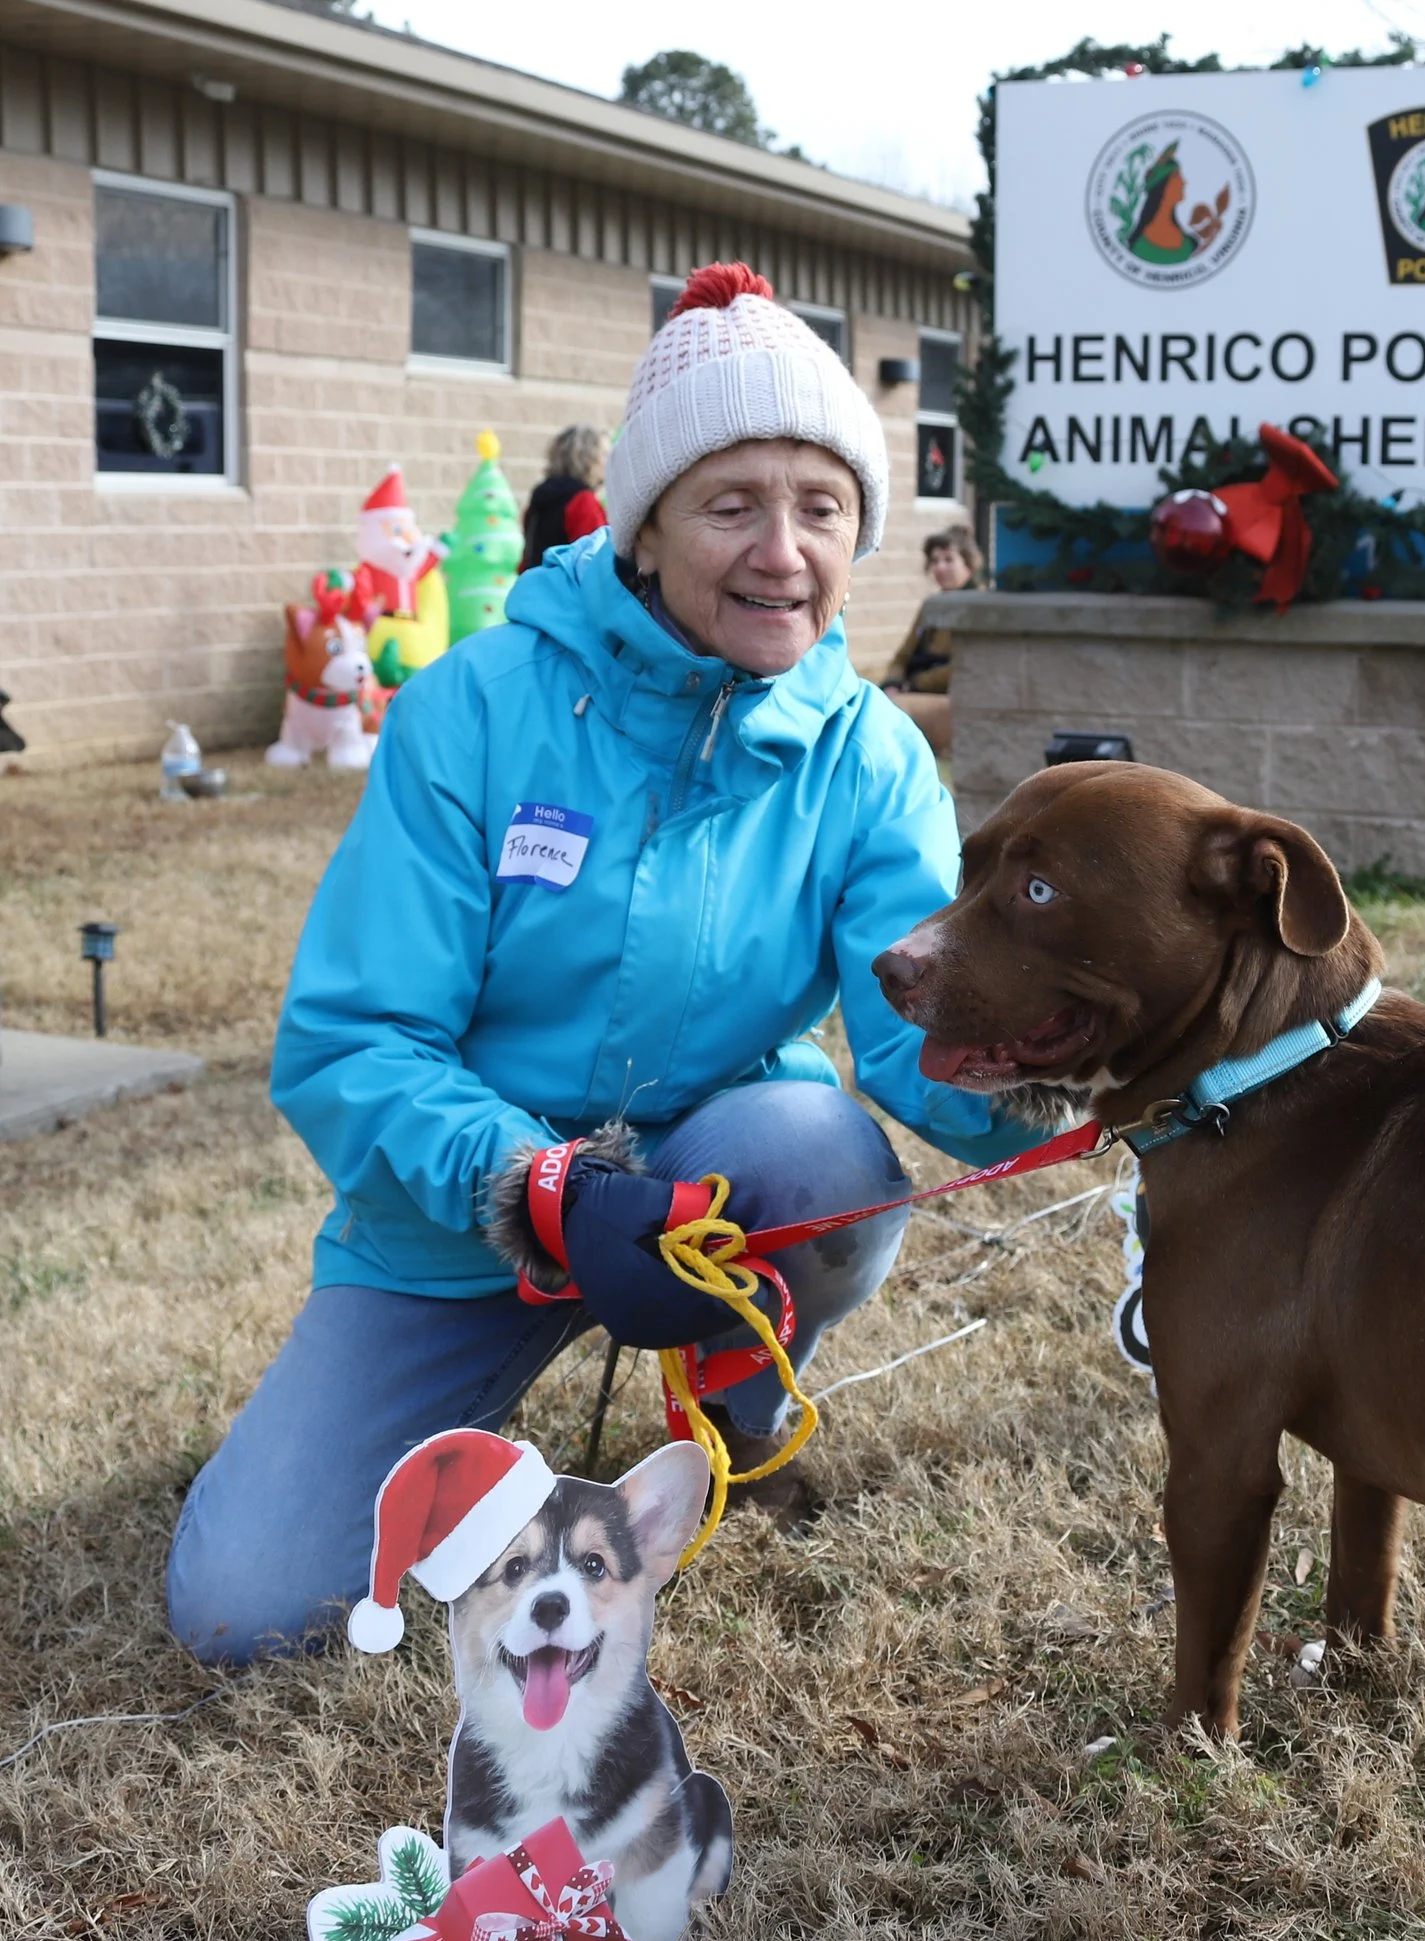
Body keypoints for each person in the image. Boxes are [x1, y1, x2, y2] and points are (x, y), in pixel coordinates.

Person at [166, 264, 1046, 1665]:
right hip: (457, 1224)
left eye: (821, 508)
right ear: (644, 530)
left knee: (829, 1153)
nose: (781, 551)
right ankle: (462, 1413)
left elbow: (911, 1034)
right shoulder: (473, 711)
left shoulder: (868, 752)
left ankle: (735, 1394)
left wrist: (1071, 1067)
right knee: (247, 1608)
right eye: (730, 504)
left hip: (715, 1178)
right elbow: (351, 1042)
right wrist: (542, 1188)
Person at [878, 524, 981, 758]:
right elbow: (903, 655)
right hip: (914, 691)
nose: (940, 567)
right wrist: (893, 681)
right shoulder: (932, 606)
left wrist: (914, 684)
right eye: (934, 561)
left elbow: (962, 667)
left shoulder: (977, 607)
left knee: (892, 710)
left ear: (968, 564)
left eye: (948, 559)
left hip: (952, 700)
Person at [518, 423, 609, 573]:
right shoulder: (583, 502)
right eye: (605, 455)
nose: (610, 462)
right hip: (569, 592)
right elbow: (593, 560)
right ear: (587, 458)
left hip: (536, 588)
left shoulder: (539, 499)